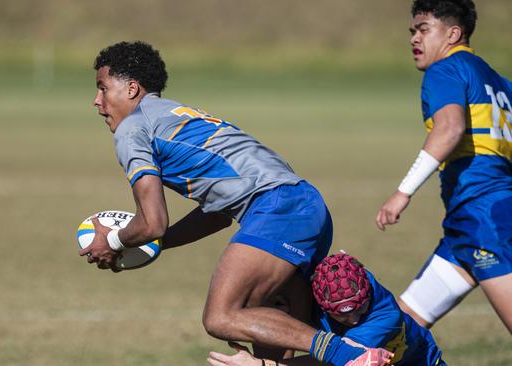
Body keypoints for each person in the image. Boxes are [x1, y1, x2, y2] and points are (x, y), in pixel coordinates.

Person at [80, 41, 391, 365]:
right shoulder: (170, 115)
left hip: (277, 209)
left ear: (131, 88)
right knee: (267, 328)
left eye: (103, 88)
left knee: (221, 317)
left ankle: (349, 354)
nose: (97, 101)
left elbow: (152, 221)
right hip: (303, 206)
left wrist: (113, 241)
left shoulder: (132, 129)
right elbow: (216, 216)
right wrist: (156, 245)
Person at [375, 0, 512, 332]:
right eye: (412, 31)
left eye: (423, 29)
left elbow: (449, 129)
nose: (414, 39)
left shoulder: (446, 69)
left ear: (453, 33)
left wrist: (401, 193)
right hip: (470, 224)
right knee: (398, 332)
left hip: (483, 217)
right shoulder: (499, 83)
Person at [207, 253, 444, 366]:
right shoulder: (324, 286)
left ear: (366, 292)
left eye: (360, 309)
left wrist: (262, 365)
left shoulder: (384, 317)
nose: (352, 320)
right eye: (341, 314)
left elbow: (332, 361)